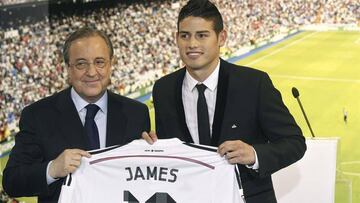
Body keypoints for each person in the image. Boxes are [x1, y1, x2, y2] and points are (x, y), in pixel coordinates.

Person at [143, 0, 306, 202]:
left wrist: (254, 154)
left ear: (222, 37)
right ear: (176, 38)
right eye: (185, 35)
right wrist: (152, 147)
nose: (192, 44)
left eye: (202, 35)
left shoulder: (254, 84)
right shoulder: (163, 89)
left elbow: (294, 143)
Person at [2, 27, 150, 202]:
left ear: (111, 64)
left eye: (99, 62)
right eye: (81, 64)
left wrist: (152, 153)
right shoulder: (38, 115)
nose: (92, 72)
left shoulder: (136, 113)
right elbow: (12, 181)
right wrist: (52, 169)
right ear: (68, 69)